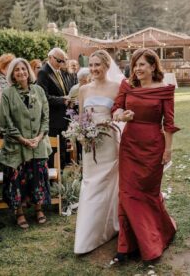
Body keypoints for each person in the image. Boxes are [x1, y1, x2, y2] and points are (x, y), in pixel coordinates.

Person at [111, 48, 179, 263]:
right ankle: (126, 245)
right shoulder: (127, 86)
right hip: (130, 145)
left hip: (153, 146)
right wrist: (123, 115)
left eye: (141, 64)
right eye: (135, 64)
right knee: (128, 193)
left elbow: (168, 123)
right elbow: (115, 109)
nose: (137, 68)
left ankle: (157, 235)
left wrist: (168, 150)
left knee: (147, 193)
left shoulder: (165, 90)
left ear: (152, 66)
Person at [74, 50, 120, 254]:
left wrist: (107, 122)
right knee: (90, 183)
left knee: (107, 184)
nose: (93, 69)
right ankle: (88, 234)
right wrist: (81, 133)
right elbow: (81, 117)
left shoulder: (117, 88)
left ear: (107, 66)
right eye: (91, 65)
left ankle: (109, 226)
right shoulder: (83, 90)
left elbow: (118, 115)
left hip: (109, 143)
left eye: (97, 65)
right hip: (90, 144)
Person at [0, 58, 52, 229]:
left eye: (23, 69)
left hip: (38, 144)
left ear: (28, 71)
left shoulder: (39, 91)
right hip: (16, 145)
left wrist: (38, 137)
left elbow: (45, 118)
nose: (21, 72)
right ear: (12, 74)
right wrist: (22, 139)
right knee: (17, 179)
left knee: (37, 176)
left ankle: (38, 209)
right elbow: (5, 122)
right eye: (16, 70)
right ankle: (19, 213)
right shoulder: (7, 94)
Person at [37, 47, 71, 169]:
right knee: (53, 152)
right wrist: (63, 100)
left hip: (63, 119)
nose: (62, 63)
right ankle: (53, 182)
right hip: (52, 120)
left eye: (64, 61)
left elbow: (64, 91)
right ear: (50, 57)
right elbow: (43, 97)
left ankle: (61, 179)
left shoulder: (60, 71)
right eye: (59, 61)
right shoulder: (43, 72)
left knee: (62, 150)